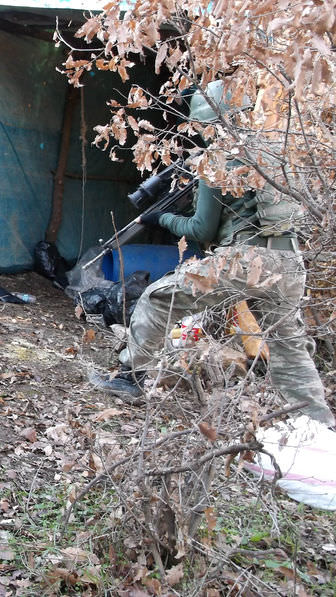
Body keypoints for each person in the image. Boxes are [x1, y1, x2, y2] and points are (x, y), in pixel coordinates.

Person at [92, 80, 336, 427]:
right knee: (289, 348)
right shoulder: (273, 148)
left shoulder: (218, 157)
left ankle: (130, 377)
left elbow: (201, 229)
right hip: (290, 264)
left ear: (207, 122)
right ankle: (319, 424)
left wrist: (160, 218)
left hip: (246, 261)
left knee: (158, 298)